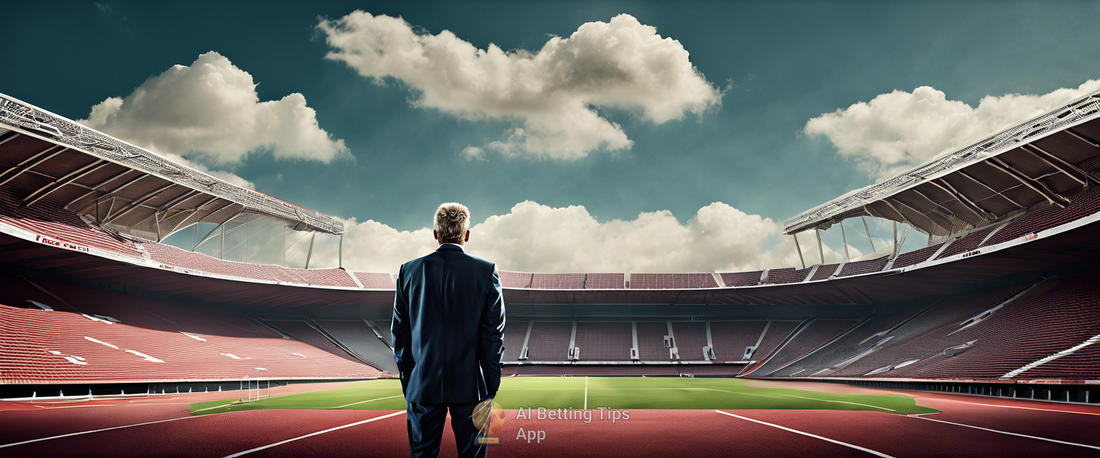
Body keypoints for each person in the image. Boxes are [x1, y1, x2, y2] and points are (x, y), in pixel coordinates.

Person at [392, 203, 506, 458]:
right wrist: (491, 383)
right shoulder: (486, 271)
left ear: (436, 233)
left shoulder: (408, 270)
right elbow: (493, 334)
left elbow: (400, 333)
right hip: (471, 386)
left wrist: (409, 379)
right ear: (467, 235)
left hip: (422, 384)